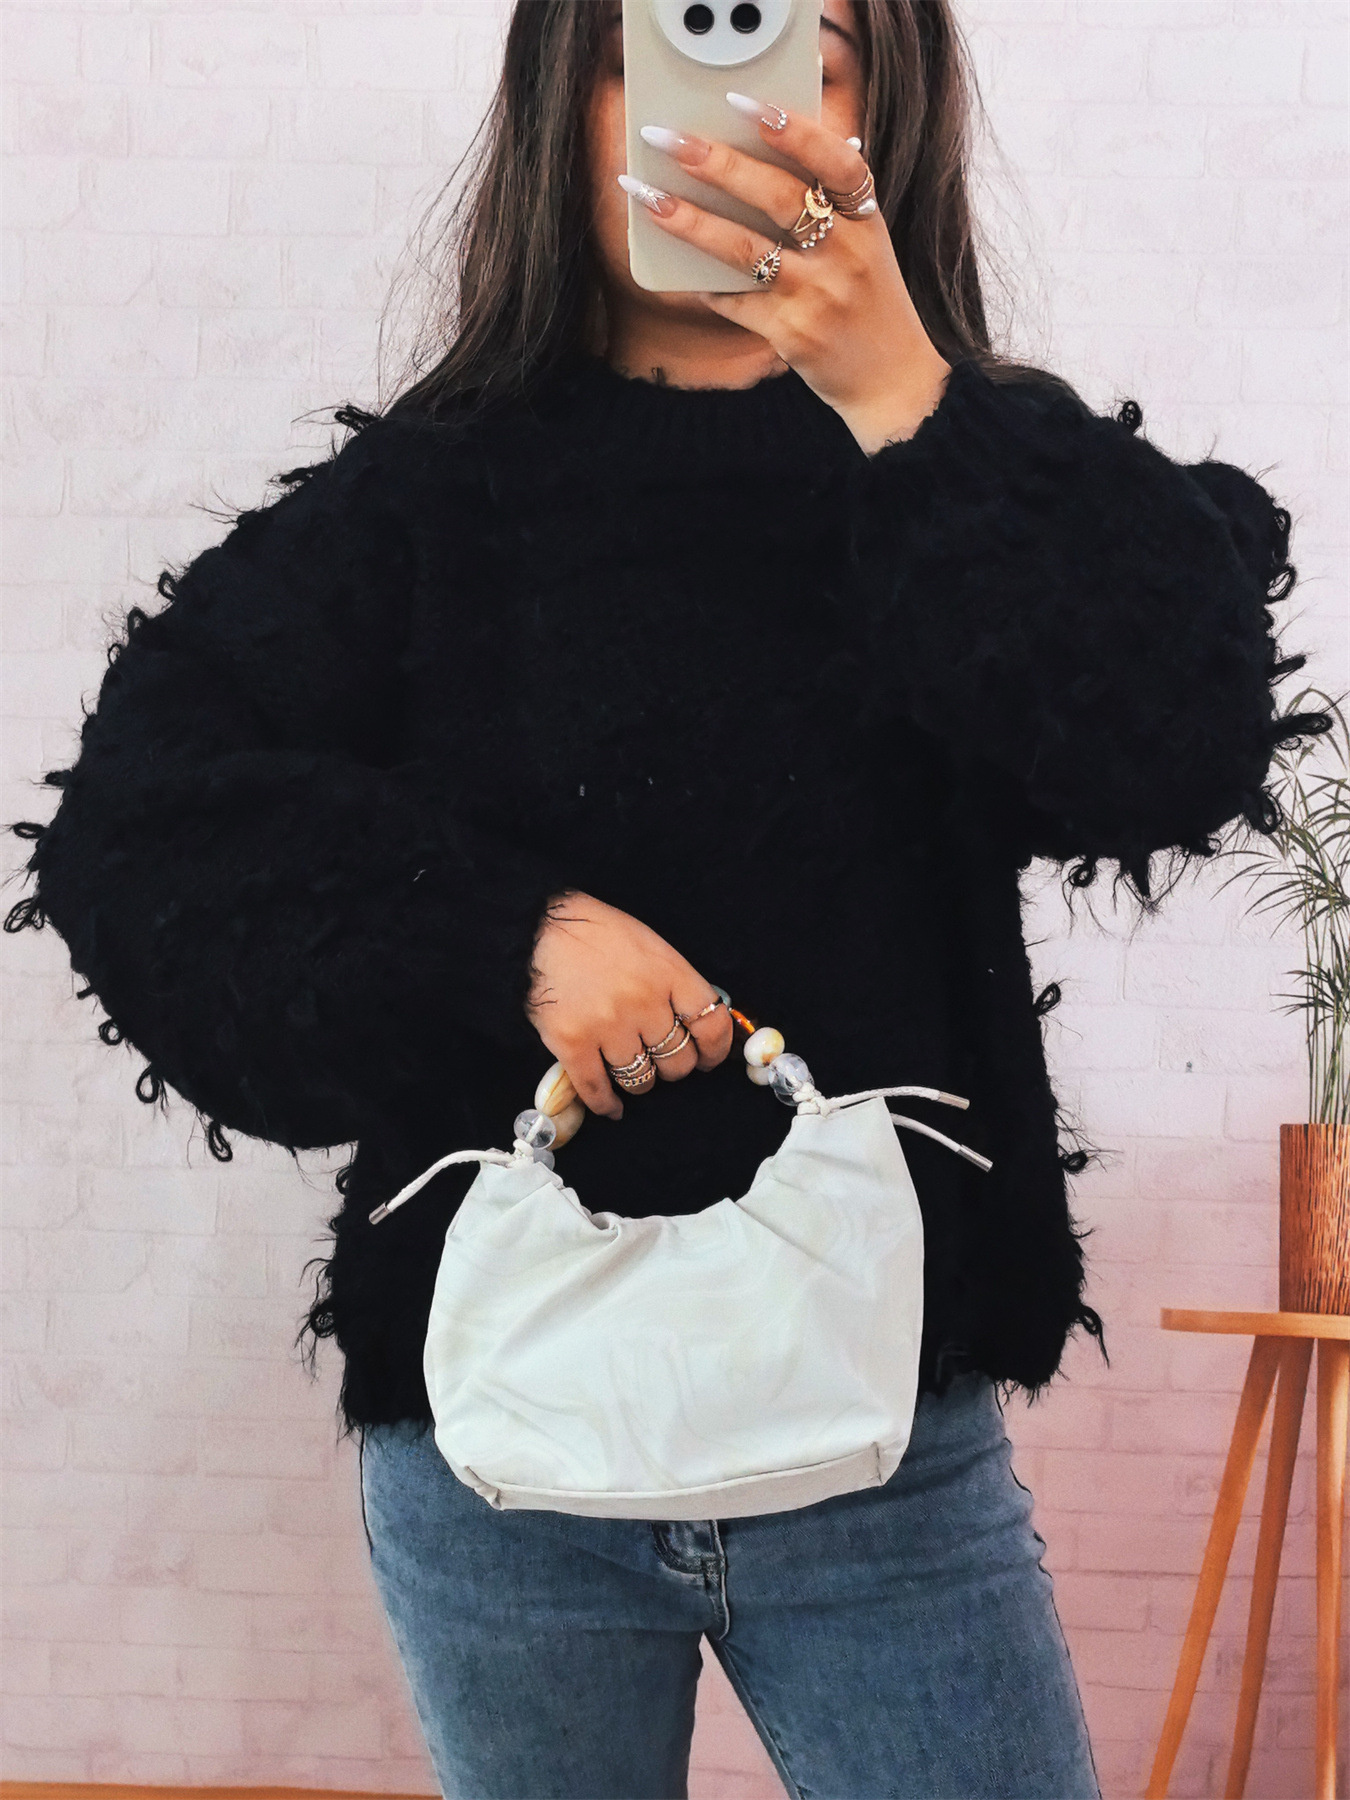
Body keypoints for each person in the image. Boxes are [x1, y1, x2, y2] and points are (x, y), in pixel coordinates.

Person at [7, 1, 1327, 1795]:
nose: (724, 103)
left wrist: (904, 398)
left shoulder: (978, 469)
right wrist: (508, 940)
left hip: (882, 1433)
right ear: (562, 98)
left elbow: (1163, 745)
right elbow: (141, 827)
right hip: (500, 1448)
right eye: (661, 43)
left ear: (888, 99)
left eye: (803, 43)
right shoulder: (428, 500)